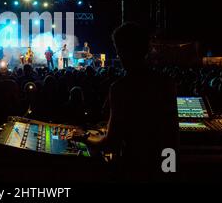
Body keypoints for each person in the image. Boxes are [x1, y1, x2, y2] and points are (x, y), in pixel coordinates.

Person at [68, 22, 179, 181]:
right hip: (165, 166)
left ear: (123, 51)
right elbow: (172, 135)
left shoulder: (121, 87)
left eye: (118, 49)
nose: (118, 55)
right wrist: (170, 171)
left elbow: (111, 143)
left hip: (136, 169)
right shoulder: (167, 83)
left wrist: (84, 137)